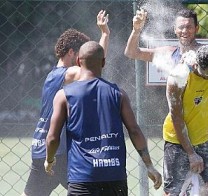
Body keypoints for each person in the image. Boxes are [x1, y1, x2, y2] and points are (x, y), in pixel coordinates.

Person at [44, 41, 162, 195]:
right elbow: (134, 130)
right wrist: (149, 166)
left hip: (82, 178)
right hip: (114, 177)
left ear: (79, 61)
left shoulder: (64, 95)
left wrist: (49, 160)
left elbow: (53, 137)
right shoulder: (118, 93)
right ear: (103, 62)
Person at [22, 10, 110, 196]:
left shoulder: (56, 75)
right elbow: (94, 66)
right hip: (57, 151)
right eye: (82, 54)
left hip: (46, 148)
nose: (85, 59)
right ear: (71, 52)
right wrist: (104, 34)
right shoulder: (65, 74)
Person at [162, 45, 208, 195]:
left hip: (205, 137)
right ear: (195, 65)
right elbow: (176, 118)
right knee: (172, 192)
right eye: (205, 75)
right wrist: (191, 154)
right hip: (177, 139)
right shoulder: (178, 78)